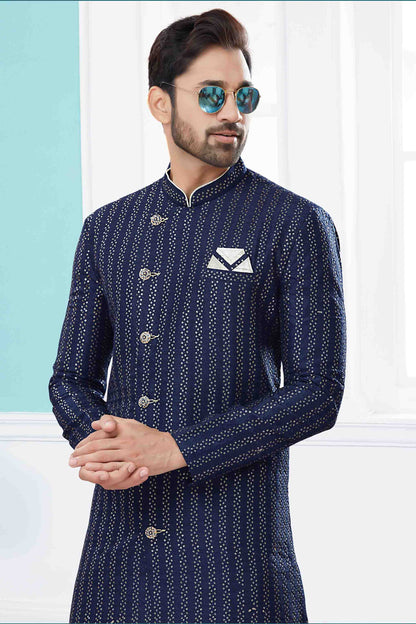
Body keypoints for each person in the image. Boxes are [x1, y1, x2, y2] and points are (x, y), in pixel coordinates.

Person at [48, 8, 347, 624]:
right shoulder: (109, 228)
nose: (233, 112)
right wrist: (101, 446)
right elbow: (70, 378)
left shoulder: (293, 223)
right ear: (160, 103)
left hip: (233, 551)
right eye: (212, 95)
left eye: (244, 96)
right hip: (119, 549)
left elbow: (318, 392)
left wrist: (175, 448)